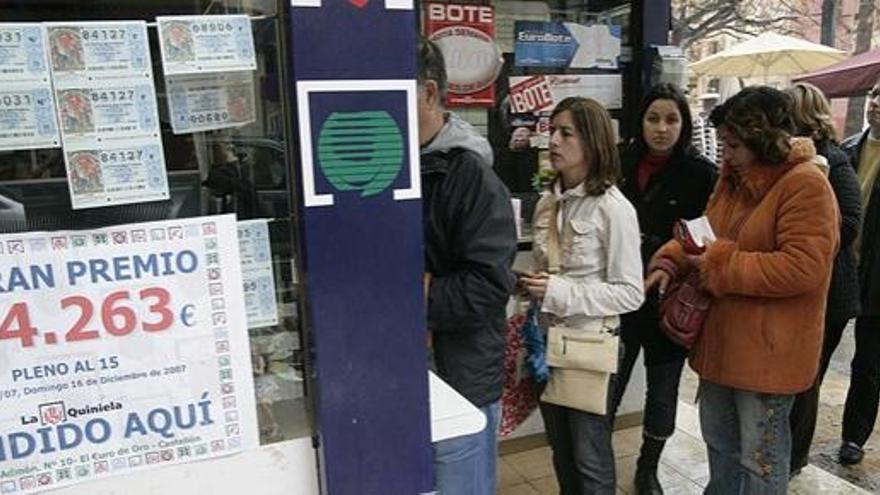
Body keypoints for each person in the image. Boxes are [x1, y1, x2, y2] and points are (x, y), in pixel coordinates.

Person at [646, 86, 839, 493]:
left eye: (733, 144)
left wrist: (721, 264)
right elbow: (706, 233)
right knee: (720, 447)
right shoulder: (732, 179)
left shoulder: (806, 185)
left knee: (761, 464)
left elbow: (804, 267)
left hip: (769, 357)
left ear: (760, 139)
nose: (725, 154)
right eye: (723, 144)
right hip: (722, 345)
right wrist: (671, 258)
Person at [520, 96, 644, 494]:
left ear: (591, 142)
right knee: (561, 453)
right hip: (546, 344)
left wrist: (561, 292)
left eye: (565, 132)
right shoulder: (547, 204)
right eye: (551, 130)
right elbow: (551, 271)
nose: (553, 140)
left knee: (590, 459)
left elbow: (630, 293)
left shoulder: (614, 208)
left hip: (589, 346)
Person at [416, 38, 518, 495]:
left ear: (431, 93)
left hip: (460, 378)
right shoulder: (391, 167)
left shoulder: (470, 175)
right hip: (405, 373)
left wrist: (417, 294)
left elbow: (490, 285)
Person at [610, 83, 717, 494]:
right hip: (619, 294)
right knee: (608, 385)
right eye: (653, 118)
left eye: (672, 119)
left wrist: (662, 251)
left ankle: (647, 467)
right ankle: (596, 460)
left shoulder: (701, 172)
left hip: (669, 301)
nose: (661, 128)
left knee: (663, 391)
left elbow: (707, 237)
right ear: (641, 121)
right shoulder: (619, 162)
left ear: (684, 125)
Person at [785, 82, 862, 475]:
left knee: (807, 378)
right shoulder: (788, 160)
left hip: (830, 291)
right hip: (801, 289)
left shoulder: (835, 159)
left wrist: (807, 241)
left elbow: (850, 222)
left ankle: (795, 458)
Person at [837, 77, 880, 465]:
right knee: (818, 353)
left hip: (878, 273)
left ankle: (854, 436)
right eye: (874, 94)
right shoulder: (847, 149)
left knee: (868, 363)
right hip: (841, 268)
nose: (877, 102)